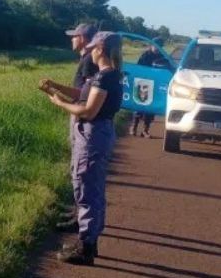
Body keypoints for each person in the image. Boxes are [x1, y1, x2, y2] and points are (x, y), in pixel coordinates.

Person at [46, 31, 123, 265]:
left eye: (92, 49)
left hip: (92, 135)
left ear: (100, 49)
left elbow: (88, 110)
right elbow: (82, 94)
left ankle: (86, 247)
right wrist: (55, 87)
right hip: (97, 134)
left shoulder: (104, 78)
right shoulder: (106, 76)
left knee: (86, 187)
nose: (88, 52)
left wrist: (60, 103)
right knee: (93, 187)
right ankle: (90, 241)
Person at [42, 24, 98, 232]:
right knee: (78, 166)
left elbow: (80, 94)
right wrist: (55, 88)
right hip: (82, 114)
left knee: (79, 167)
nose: (71, 39)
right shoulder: (87, 59)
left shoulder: (88, 62)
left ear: (83, 37)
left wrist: (58, 97)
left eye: (74, 36)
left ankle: (80, 218)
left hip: (82, 118)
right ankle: (78, 211)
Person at [130, 37, 166, 138]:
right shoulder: (145, 55)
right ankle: (134, 127)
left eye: (159, 46)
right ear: (151, 45)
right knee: (139, 105)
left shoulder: (162, 57)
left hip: (156, 86)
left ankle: (145, 130)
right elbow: (138, 69)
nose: (157, 48)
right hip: (144, 84)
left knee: (151, 109)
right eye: (155, 45)